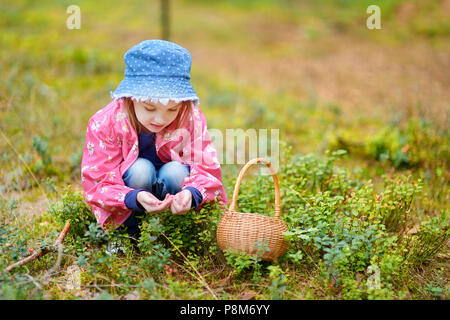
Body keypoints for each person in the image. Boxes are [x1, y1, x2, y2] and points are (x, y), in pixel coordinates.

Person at [80, 40, 228, 247]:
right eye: (149, 109)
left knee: (176, 172)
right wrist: (134, 197)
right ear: (131, 98)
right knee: (141, 169)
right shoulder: (105, 122)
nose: (160, 119)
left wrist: (191, 193)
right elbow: (97, 180)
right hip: (130, 191)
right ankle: (127, 236)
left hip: (172, 187)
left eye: (172, 109)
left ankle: (172, 236)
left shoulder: (190, 117)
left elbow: (207, 168)